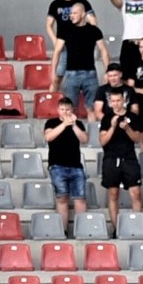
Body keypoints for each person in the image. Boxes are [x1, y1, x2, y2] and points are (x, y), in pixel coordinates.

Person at [50, 2, 110, 121]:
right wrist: (53, 72)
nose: (71, 15)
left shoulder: (94, 30)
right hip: (71, 74)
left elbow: (103, 51)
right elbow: (57, 51)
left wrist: (108, 71)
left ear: (83, 14)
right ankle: (73, 136)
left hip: (90, 74)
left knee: (92, 108)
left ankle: (92, 138)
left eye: (74, 13)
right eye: (71, 13)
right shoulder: (65, 30)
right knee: (70, 110)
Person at [100, 89, 143, 233]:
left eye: (118, 100)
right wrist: (113, 127)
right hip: (111, 158)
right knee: (113, 194)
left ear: (124, 100)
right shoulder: (107, 118)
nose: (116, 104)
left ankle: (138, 228)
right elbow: (103, 141)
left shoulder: (132, 116)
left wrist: (127, 129)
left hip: (129, 157)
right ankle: (117, 229)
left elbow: (138, 139)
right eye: (113, 101)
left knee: (136, 192)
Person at [46, 0, 97, 92]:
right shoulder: (55, 4)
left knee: (84, 78)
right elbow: (49, 25)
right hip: (64, 46)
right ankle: (51, 104)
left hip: (80, 46)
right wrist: (55, 41)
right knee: (57, 78)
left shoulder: (82, 2)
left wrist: (88, 38)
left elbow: (93, 21)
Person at [44, 97, 88, 234]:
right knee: (62, 198)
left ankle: (82, 230)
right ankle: (62, 230)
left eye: (67, 109)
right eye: (62, 109)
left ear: (72, 110)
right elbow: (48, 137)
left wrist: (73, 124)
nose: (65, 112)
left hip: (76, 166)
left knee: (80, 198)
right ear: (58, 110)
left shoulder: (78, 124)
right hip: (57, 166)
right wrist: (64, 124)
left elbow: (84, 139)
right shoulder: (51, 122)